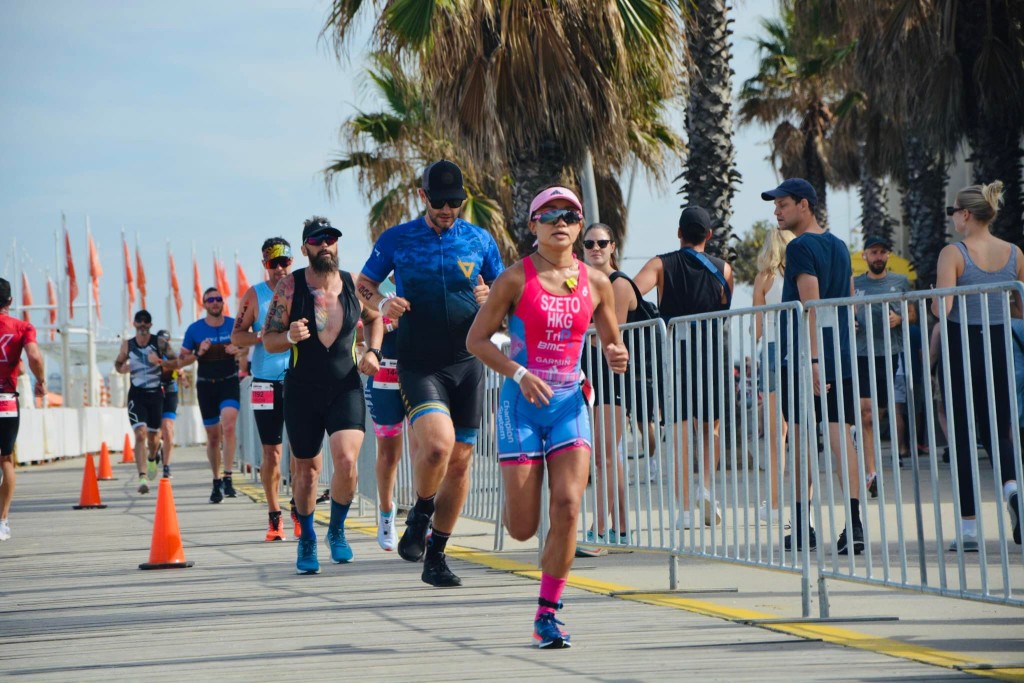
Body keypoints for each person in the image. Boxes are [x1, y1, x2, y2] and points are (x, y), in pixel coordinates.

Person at [467, 186, 628, 648]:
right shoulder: (515, 279)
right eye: (550, 214)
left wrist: (616, 355)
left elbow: (610, 340)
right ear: (533, 225)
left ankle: (548, 613)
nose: (561, 221)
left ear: (580, 227)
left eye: (571, 215)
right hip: (521, 405)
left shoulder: (597, 283)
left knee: (569, 506)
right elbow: (476, 341)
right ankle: (523, 507)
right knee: (521, 528)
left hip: (568, 404)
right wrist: (518, 373)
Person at [356, 160, 504, 587]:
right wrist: (383, 303)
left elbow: (505, 292)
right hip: (419, 362)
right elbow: (363, 283)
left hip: (468, 361)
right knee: (438, 447)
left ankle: (436, 555)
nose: (446, 209)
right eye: (438, 201)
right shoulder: (397, 239)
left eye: (454, 202)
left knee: (460, 463)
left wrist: (491, 295)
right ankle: (421, 508)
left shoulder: (479, 239)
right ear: (423, 197)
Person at [262, 216, 383, 574]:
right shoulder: (289, 287)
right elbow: (268, 339)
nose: (325, 245)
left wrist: (373, 352)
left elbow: (375, 319)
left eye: (331, 239)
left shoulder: (352, 284)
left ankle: (337, 530)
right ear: (305, 249)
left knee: (346, 461)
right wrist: (289, 337)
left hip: (345, 385)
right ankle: (308, 538)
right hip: (302, 390)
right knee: (307, 473)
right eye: (317, 241)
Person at [762, 178, 862, 555]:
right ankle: (854, 524)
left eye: (783, 204)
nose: (777, 211)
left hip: (808, 359)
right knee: (841, 438)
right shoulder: (838, 245)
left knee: (803, 439)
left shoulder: (802, 246)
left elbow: (811, 306)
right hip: (839, 355)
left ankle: (803, 525)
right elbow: (848, 300)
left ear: (804, 205)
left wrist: (815, 362)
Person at [933, 180, 1023, 550]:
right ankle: (1013, 489)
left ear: (965, 214)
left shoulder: (953, 253)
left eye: (953, 211)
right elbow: (1020, 305)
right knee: (997, 428)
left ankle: (969, 529)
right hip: (1000, 341)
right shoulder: (1014, 252)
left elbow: (944, 308)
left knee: (962, 434)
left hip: (961, 342)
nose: (952, 217)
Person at [634, 206, 733, 530]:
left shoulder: (661, 264)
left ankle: (686, 508)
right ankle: (705, 487)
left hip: (674, 354)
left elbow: (634, 291)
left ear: (679, 233)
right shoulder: (725, 269)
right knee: (710, 428)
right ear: (708, 235)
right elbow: (722, 305)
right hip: (712, 353)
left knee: (678, 431)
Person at [578, 222, 649, 554]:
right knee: (610, 456)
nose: (595, 248)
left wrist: (569, 325)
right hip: (595, 376)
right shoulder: (587, 284)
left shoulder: (618, 285)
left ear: (613, 246)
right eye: (589, 243)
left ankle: (599, 531)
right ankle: (620, 529)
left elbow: (610, 336)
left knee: (604, 457)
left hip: (615, 377)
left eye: (601, 243)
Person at [231, 237, 294, 542]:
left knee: (302, 449)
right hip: (265, 383)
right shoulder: (255, 295)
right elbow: (237, 337)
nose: (279, 269)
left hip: (298, 379)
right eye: (273, 264)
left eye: (284, 262)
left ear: (292, 262)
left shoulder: (302, 288)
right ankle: (274, 515)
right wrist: (262, 336)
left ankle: (299, 508)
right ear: (264, 265)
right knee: (272, 451)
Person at [853, 236, 914, 497]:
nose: (877, 257)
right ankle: (871, 472)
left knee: (877, 414)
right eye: (873, 252)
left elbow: (913, 312)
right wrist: (851, 322)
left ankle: (862, 441)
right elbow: (845, 311)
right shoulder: (854, 284)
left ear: (888, 255)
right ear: (865, 256)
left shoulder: (900, 282)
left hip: (889, 353)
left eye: (882, 252)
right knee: (866, 413)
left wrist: (901, 317)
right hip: (861, 353)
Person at [362, 276, 418, 552]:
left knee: (424, 450)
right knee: (389, 454)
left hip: (418, 373)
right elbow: (365, 326)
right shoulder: (378, 286)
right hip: (384, 374)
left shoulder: (423, 277)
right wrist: (392, 321)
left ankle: (423, 516)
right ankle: (386, 512)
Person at [180, 287, 242, 504]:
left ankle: (228, 476)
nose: (215, 303)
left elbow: (249, 348)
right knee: (214, 437)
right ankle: (216, 480)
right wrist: (199, 353)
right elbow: (182, 360)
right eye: (210, 300)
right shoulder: (194, 330)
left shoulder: (234, 324)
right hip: (206, 386)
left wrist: (239, 350)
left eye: (218, 299)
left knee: (229, 424)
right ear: (204, 304)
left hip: (229, 382)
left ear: (222, 302)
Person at [752, 227, 794, 524]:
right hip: (800, 347)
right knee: (800, 428)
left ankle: (775, 503)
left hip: (771, 349)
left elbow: (757, 327)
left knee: (775, 431)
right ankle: (801, 501)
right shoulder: (800, 276)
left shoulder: (764, 279)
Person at [0, 278, 46, 541]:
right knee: (6, 459)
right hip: (5, 400)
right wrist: (40, 381)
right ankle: (2, 520)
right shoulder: (22, 327)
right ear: (10, 301)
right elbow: (35, 357)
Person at [114, 310, 176, 493]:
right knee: (140, 434)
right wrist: (122, 369)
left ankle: (151, 458)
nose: (142, 326)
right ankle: (142, 478)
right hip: (137, 395)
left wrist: (159, 362)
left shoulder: (160, 343)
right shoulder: (128, 345)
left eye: (145, 323)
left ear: (150, 325)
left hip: (156, 394)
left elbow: (176, 363)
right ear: (134, 324)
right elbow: (117, 364)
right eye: (139, 323)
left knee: (153, 438)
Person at [154, 330, 178, 480]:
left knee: (168, 429)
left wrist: (178, 373)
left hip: (169, 390)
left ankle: (166, 466)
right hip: (154, 391)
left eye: (166, 340)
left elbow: (176, 368)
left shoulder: (171, 353)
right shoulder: (152, 353)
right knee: (155, 432)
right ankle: (155, 450)